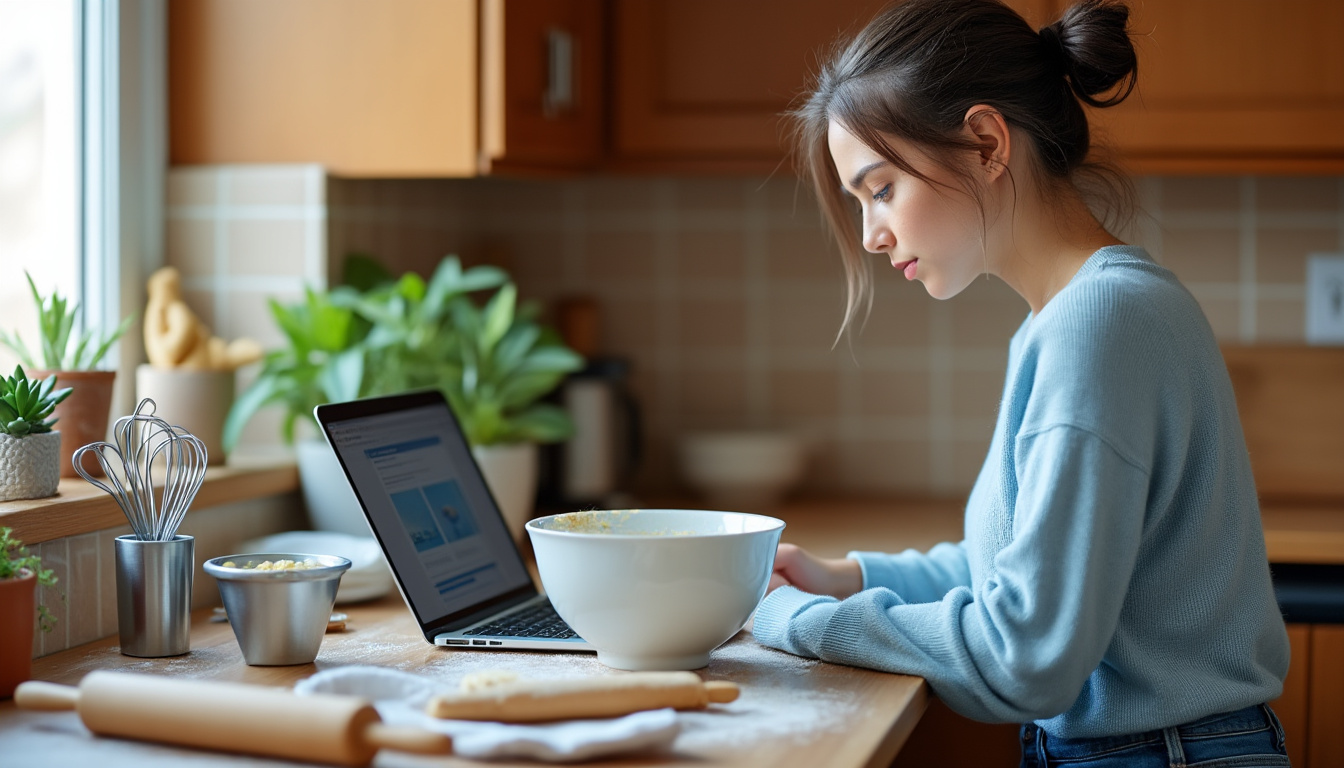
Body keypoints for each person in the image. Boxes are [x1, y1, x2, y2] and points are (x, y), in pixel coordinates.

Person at [749, 1, 1293, 765]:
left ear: (984, 142)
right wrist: (847, 578)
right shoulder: (1080, 314)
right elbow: (1016, 571)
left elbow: (1026, 654)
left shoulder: (1097, 325)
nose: (872, 234)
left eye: (879, 189)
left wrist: (793, 619)